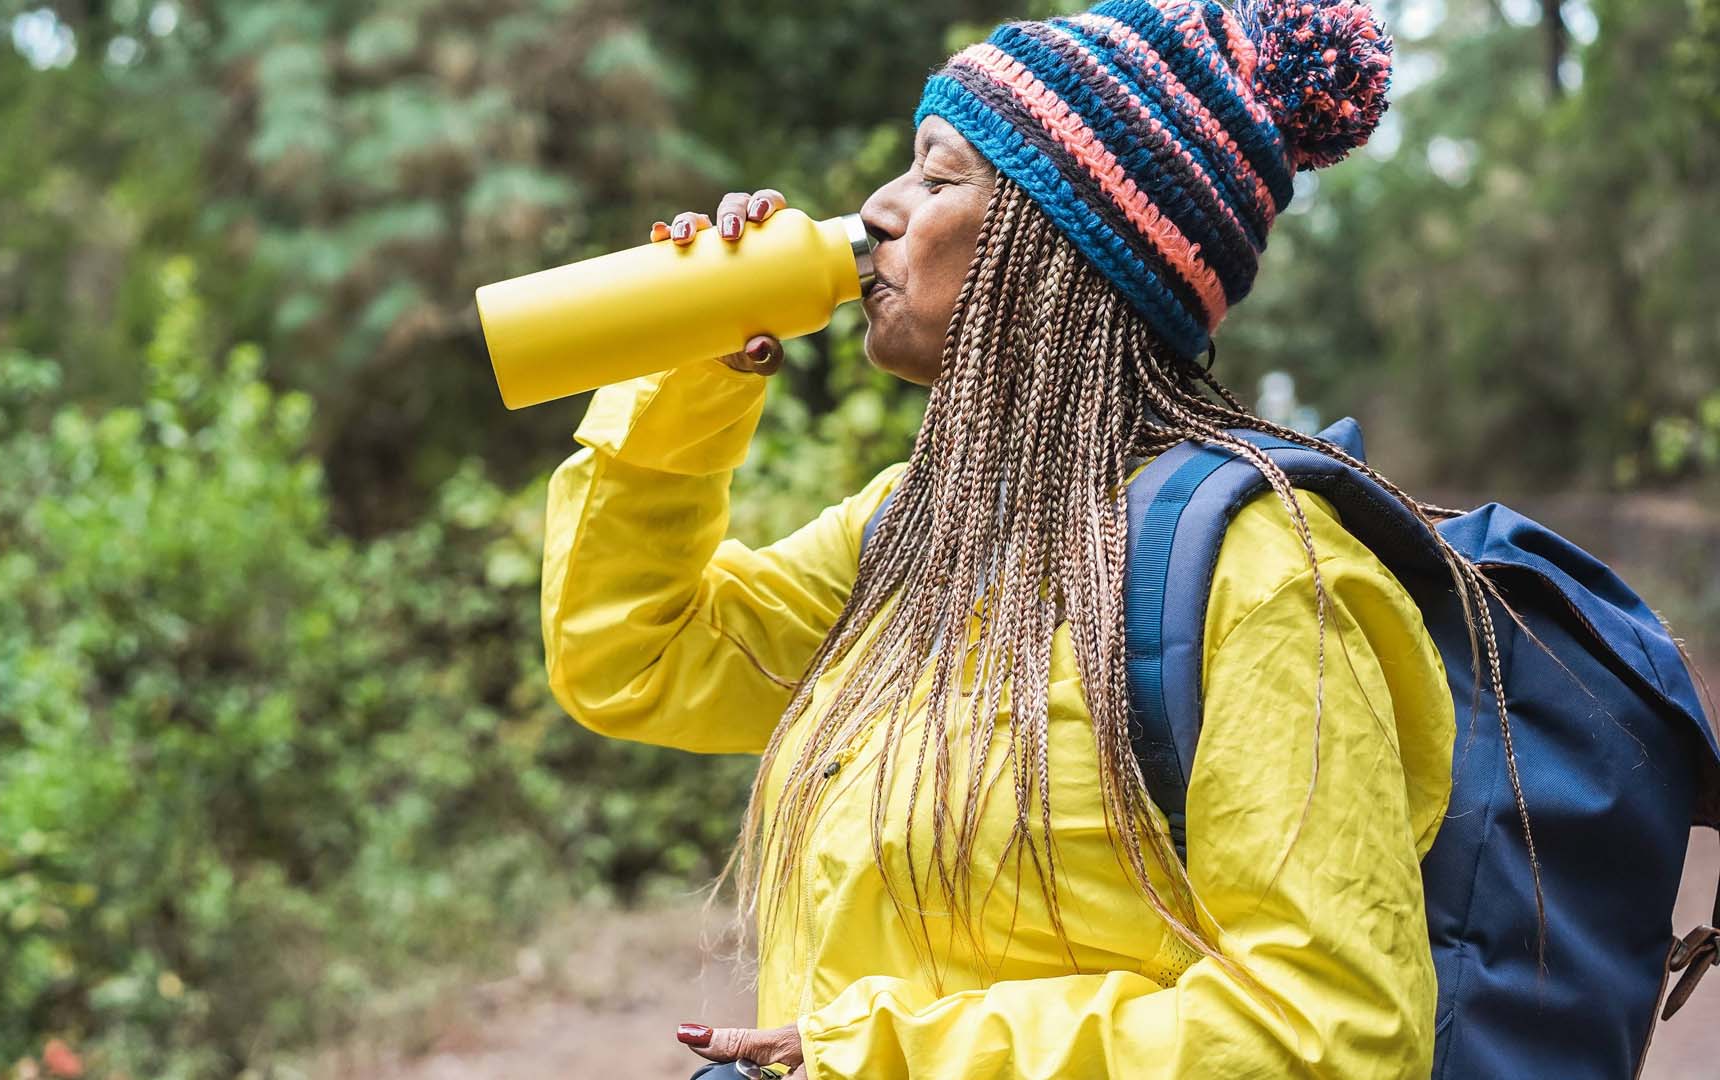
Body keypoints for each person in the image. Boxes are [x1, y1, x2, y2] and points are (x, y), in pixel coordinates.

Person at [540, 1, 1471, 1075]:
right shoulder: (917, 534)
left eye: (938, 179)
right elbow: (635, 655)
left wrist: (886, 1056)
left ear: (1067, 248)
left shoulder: (1261, 582)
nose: (877, 213)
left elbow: (1337, 1035)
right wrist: (693, 363)